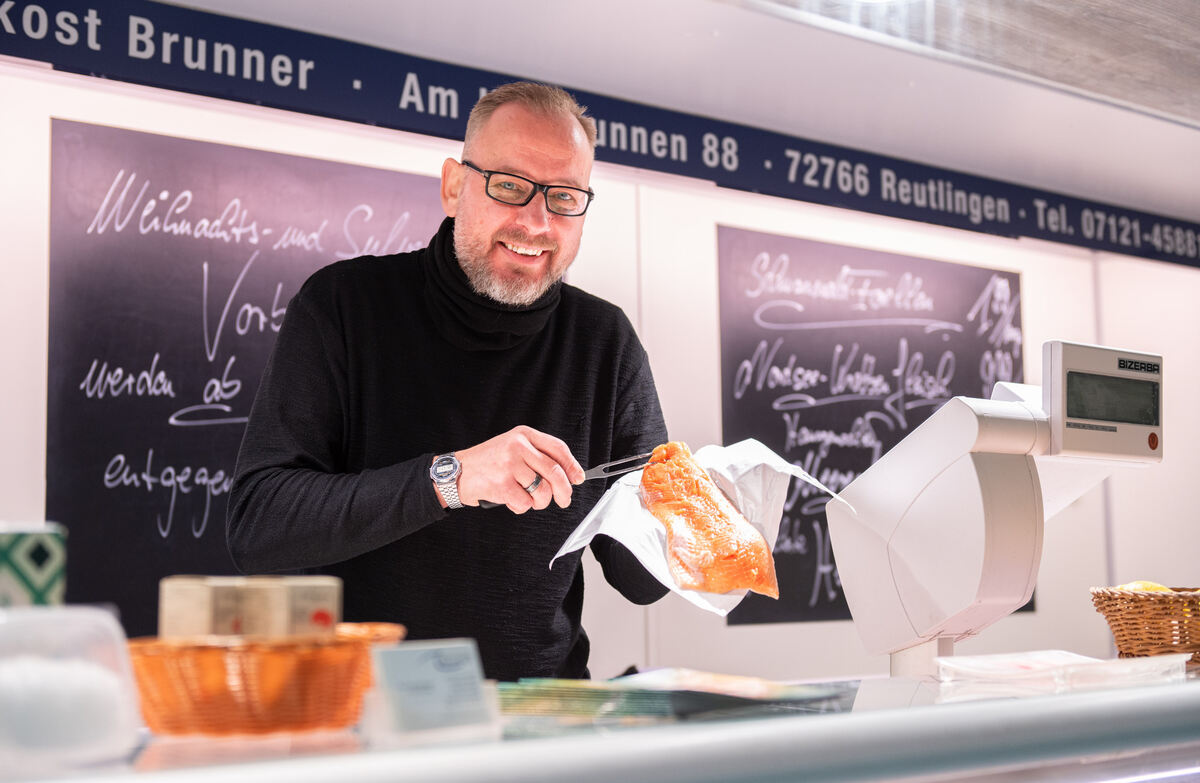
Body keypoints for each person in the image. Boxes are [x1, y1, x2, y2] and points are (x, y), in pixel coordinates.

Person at [226, 82, 670, 681]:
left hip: (547, 714)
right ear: (454, 186)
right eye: (509, 186)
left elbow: (641, 580)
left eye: (564, 197)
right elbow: (258, 525)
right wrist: (451, 479)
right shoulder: (344, 305)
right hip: (370, 710)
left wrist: (709, 523)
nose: (537, 222)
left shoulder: (604, 341)